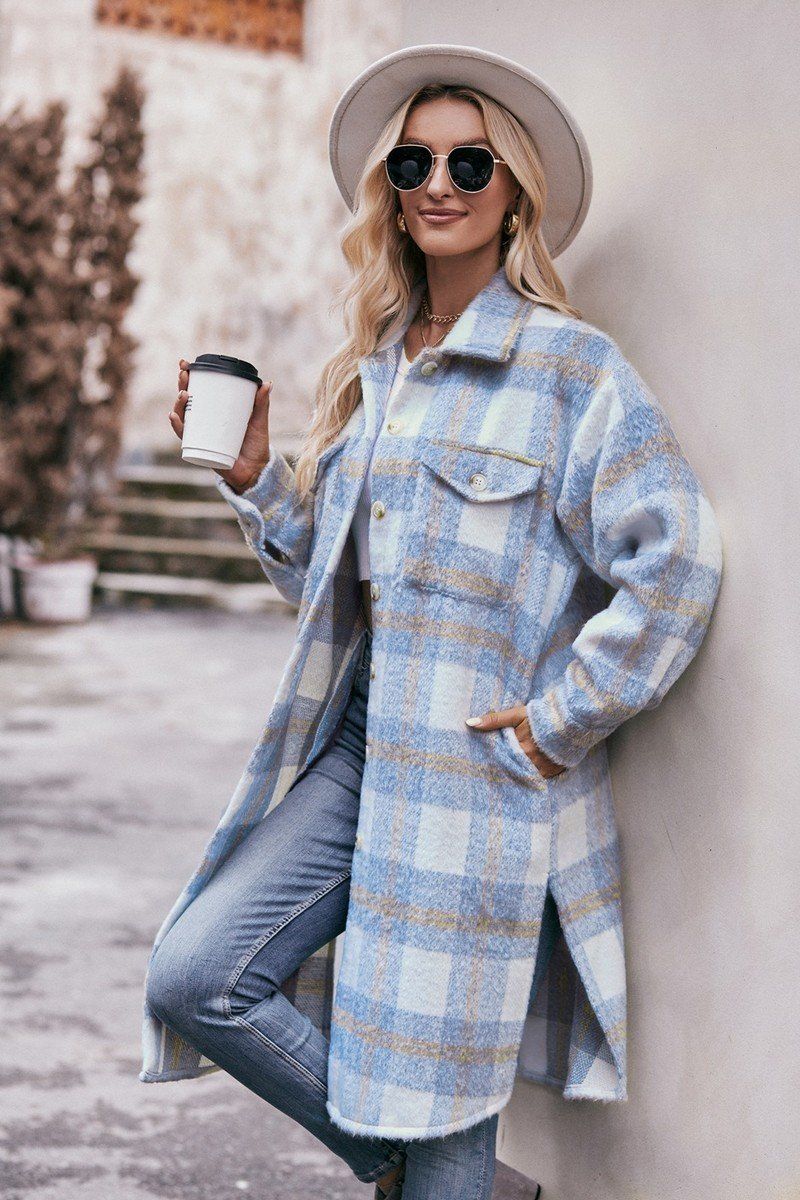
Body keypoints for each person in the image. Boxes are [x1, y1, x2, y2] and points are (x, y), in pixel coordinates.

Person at [145, 43, 724, 1200]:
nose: (439, 184)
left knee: (444, 1100)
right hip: (357, 752)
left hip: (473, 783)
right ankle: (448, 1180)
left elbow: (677, 562)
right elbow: (332, 585)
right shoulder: (377, 371)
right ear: (391, 190)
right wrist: (259, 481)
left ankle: (454, 1178)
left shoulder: (568, 371)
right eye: (413, 162)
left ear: (514, 192)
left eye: (471, 162)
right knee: (195, 974)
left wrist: (559, 719)